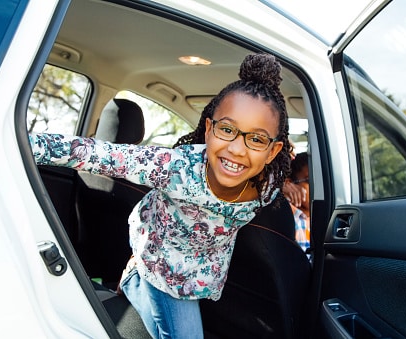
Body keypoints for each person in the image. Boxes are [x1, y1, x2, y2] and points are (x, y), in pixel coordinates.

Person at [29, 53, 292, 338]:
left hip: (203, 263)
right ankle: (136, 276)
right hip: (161, 253)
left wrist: (292, 185)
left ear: (272, 152)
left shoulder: (268, 184)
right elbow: (102, 155)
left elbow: (281, 172)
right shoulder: (176, 168)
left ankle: (132, 281)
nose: (238, 150)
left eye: (256, 139)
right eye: (226, 129)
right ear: (208, 130)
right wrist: (14, 136)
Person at [282, 152, 310, 253]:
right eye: (310, 181)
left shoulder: (327, 217)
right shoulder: (284, 217)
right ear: (289, 184)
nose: (318, 188)